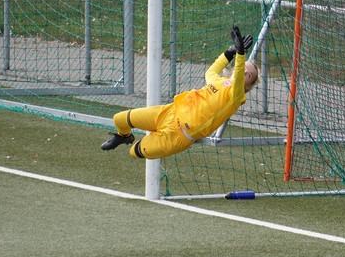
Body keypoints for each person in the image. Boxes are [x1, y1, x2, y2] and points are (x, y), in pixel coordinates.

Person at [100, 25, 259, 159]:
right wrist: (230, 52)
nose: (245, 72)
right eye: (245, 68)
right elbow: (211, 70)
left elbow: (238, 78)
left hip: (178, 137)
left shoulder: (237, 97)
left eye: (249, 75)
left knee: (134, 152)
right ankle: (124, 136)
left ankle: (140, 140)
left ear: (249, 85)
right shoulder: (218, 81)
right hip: (169, 113)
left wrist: (240, 55)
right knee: (119, 119)